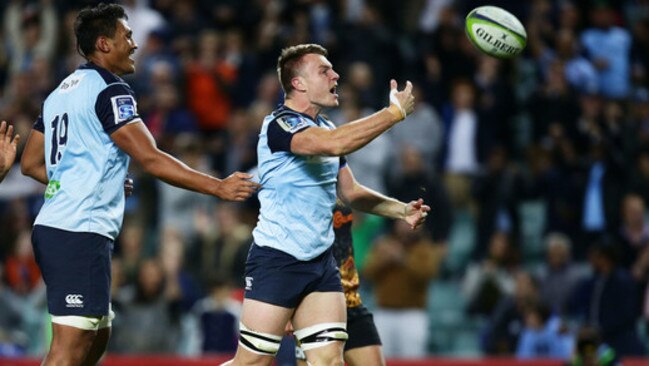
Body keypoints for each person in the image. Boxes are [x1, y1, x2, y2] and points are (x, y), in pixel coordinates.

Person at [19, 3, 259, 365]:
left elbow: (31, 163)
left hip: (67, 226)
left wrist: (94, 180)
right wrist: (218, 187)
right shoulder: (112, 90)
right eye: (126, 36)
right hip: (76, 230)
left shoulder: (59, 93)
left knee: (96, 337)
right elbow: (150, 157)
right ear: (103, 44)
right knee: (69, 349)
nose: (134, 44)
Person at [224, 43, 426, 366]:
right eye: (324, 70)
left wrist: (400, 210)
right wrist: (393, 113)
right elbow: (333, 145)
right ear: (298, 83)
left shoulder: (328, 127)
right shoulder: (279, 125)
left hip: (321, 264)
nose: (335, 75)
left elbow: (351, 192)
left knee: (329, 361)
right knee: (252, 362)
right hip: (277, 260)